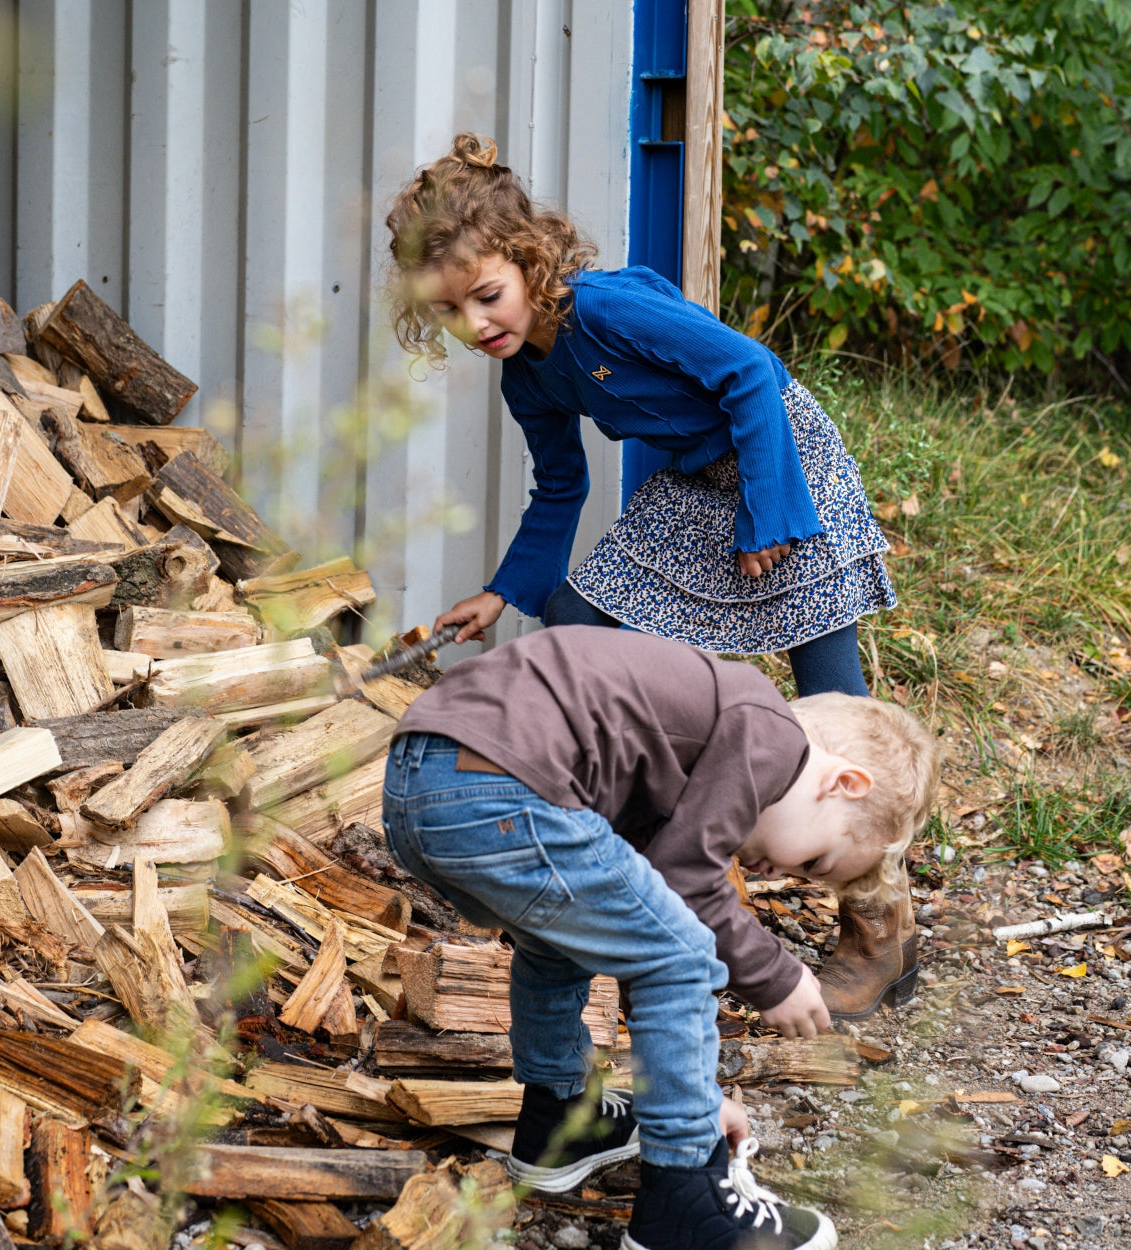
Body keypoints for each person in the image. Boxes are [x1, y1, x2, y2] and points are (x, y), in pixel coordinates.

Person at [385, 134, 915, 1021]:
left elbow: (748, 371)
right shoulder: (528, 373)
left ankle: (881, 930)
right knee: (575, 611)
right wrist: (504, 592)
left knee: (834, 693)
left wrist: (769, 513)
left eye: (488, 296)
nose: (478, 325)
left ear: (530, 260)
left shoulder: (605, 311)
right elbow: (561, 486)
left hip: (781, 453)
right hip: (701, 478)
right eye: (451, 314)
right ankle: (592, 854)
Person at [382, 627, 940, 1250]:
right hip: (503, 786)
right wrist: (774, 976)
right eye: (813, 862)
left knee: (559, 943)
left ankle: (560, 1120)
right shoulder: (770, 734)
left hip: (423, 781)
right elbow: (683, 894)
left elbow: (639, 914)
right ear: (842, 783)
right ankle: (683, 1199)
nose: (781, 874)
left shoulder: (694, 745)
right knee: (684, 958)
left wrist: (694, 1099)